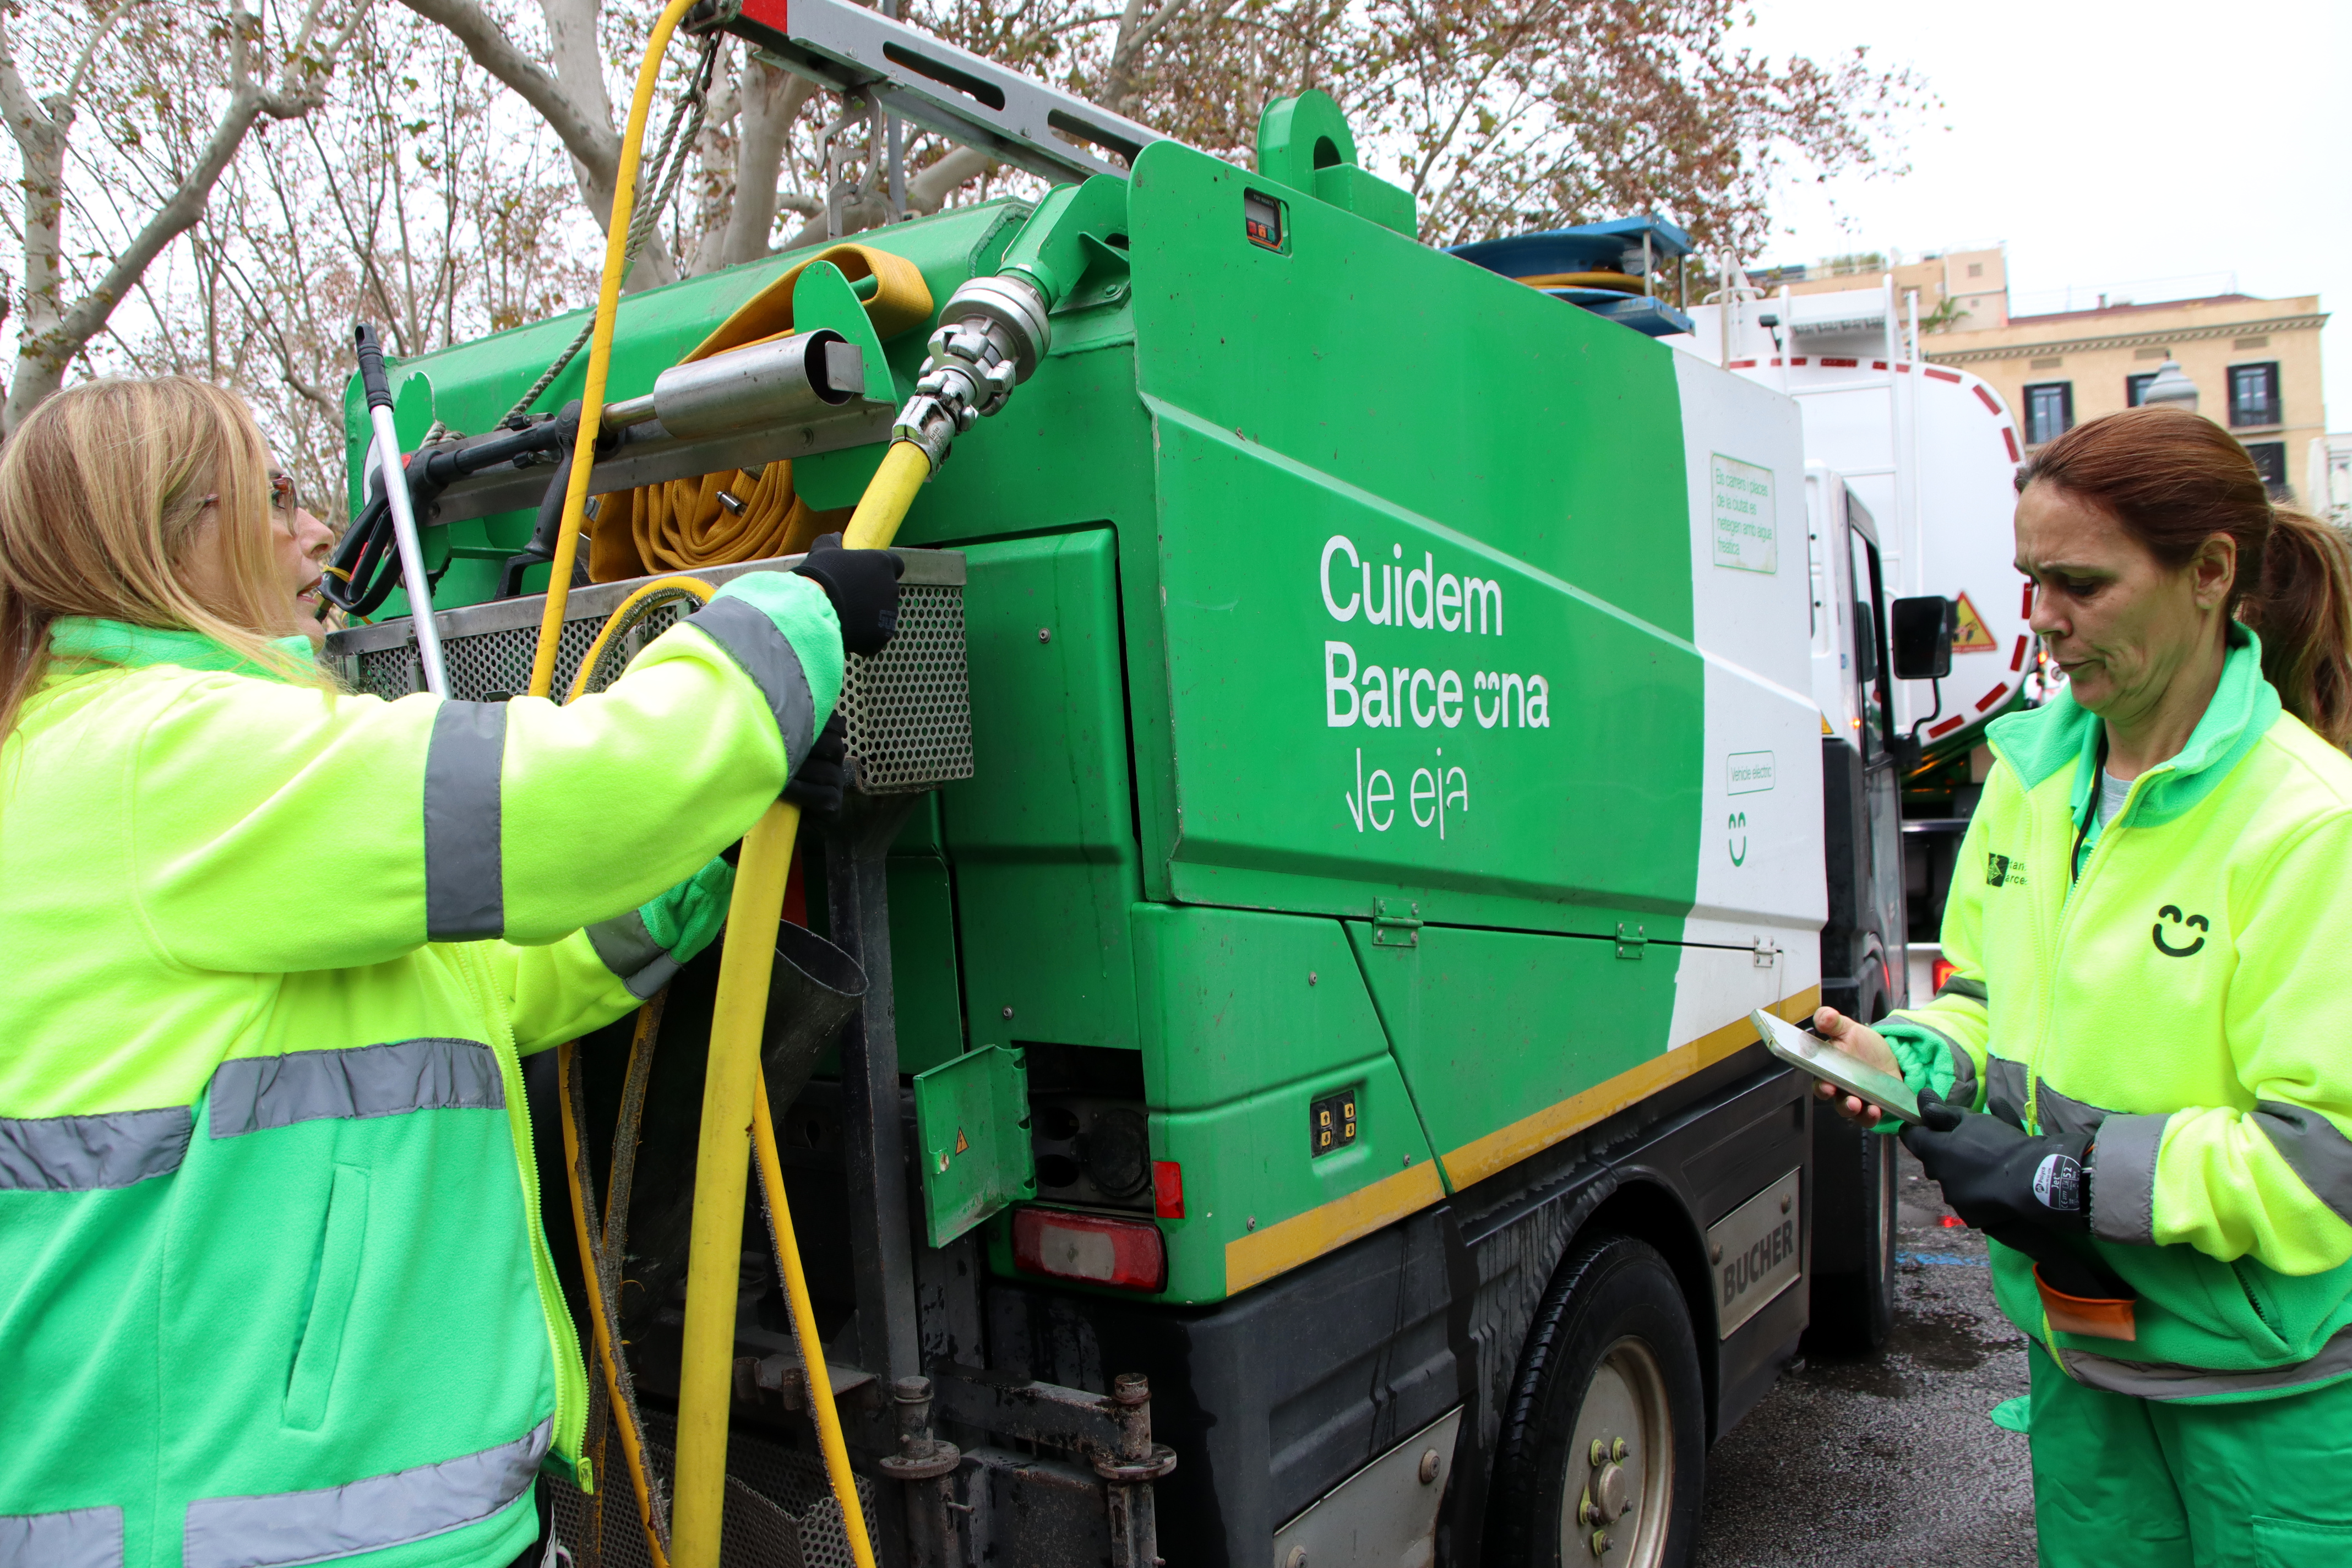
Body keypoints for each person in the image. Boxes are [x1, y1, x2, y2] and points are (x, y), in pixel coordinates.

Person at [0, 376, 903, 1568]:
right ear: (177, 527)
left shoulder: (86, 761)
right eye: (276, 495)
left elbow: (482, 988)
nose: (319, 531)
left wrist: (709, 854)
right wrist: (790, 619)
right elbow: (581, 796)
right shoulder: (168, 753)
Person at [1812, 404, 2352, 1565]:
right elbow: (1987, 999)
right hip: (2080, 1357)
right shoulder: (2029, 779)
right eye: (2029, 579)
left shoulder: (2311, 824)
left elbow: (2326, 1161)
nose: (2042, 622)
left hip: (2276, 1401)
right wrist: (1908, 1056)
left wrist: (2070, 1178)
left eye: (2081, 584)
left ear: (2210, 573)